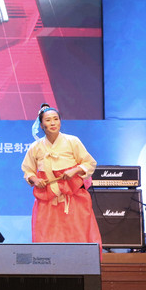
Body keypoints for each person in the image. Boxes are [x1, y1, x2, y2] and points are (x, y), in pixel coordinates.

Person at [21, 104, 102, 250]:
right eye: (48, 120)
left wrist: (75, 170)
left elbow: (90, 163)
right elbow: (28, 171)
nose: (53, 123)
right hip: (47, 201)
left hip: (73, 198)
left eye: (56, 119)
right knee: (47, 238)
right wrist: (36, 180)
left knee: (77, 236)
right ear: (41, 125)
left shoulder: (72, 141)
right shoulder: (35, 147)